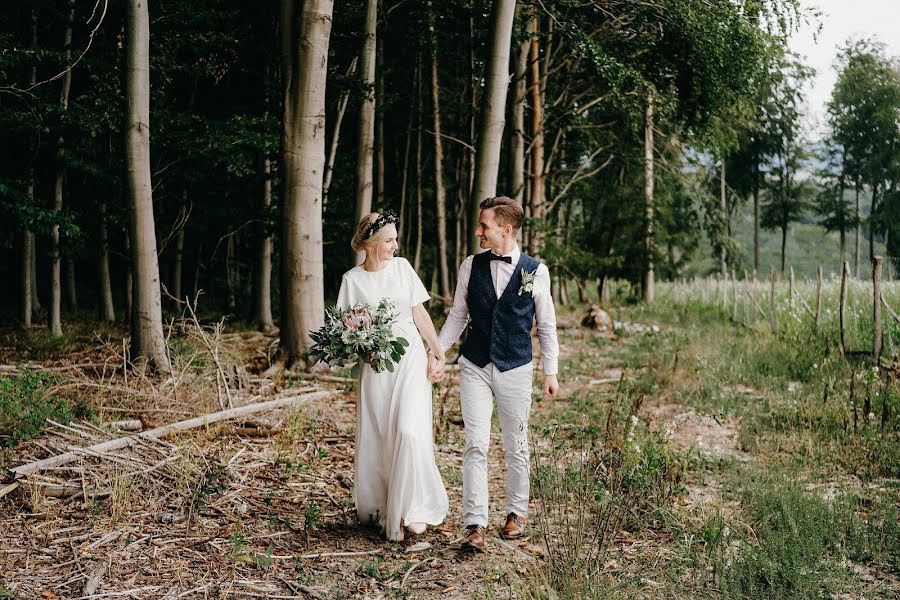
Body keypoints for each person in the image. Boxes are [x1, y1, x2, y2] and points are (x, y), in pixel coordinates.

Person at [434, 196, 560, 553]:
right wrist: (437, 351)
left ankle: (516, 512)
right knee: (475, 443)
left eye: (484, 226)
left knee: (516, 445)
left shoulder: (536, 271)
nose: (478, 232)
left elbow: (546, 327)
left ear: (505, 230)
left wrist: (550, 371)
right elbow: (458, 315)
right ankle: (475, 522)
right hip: (474, 364)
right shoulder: (469, 266)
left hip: (516, 367)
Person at [337, 210, 449, 541]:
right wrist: (361, 348)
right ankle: (383, 506)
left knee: (409, 431)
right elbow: (345, 330)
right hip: (376, 369)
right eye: (389, 240)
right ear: (370, 244)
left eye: (396, 239)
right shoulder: (352, 280)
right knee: (380, 435)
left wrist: (437, 351)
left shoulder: (403, 269)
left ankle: (413, 507)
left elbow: (419, 313)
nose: (395, 246)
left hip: (411, 360)